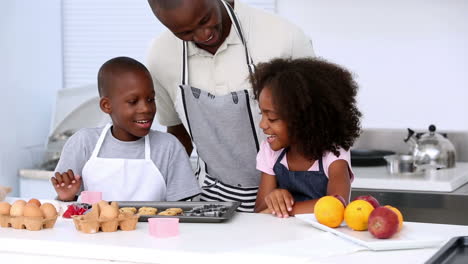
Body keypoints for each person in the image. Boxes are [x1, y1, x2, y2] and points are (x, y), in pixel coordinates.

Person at [146, 0, 314, 212]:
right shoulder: (160, 56)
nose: (202, 35)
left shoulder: (284, 37)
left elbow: (316, 123)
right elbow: (178, 131)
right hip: (213, 199)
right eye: (185, 32)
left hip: (288, 198)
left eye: (205, 19)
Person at [51, 56, 201, 202]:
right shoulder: (84, 143)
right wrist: (67, 197)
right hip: (95, 228)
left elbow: (182, 211)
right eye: (133, 101)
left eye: (150, 99)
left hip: (150, 228)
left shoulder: (168, 147)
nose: (145, 108)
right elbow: (68, 211)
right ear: (106, 105)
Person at [251, 57, 362, 218]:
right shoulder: (269, 150)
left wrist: (285, 209)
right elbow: (260, 212)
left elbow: (337, 203)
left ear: (304, 119)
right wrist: (274, 199)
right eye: (262, 114)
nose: (262, 125)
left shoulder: (333, 153)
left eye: (272, 118)